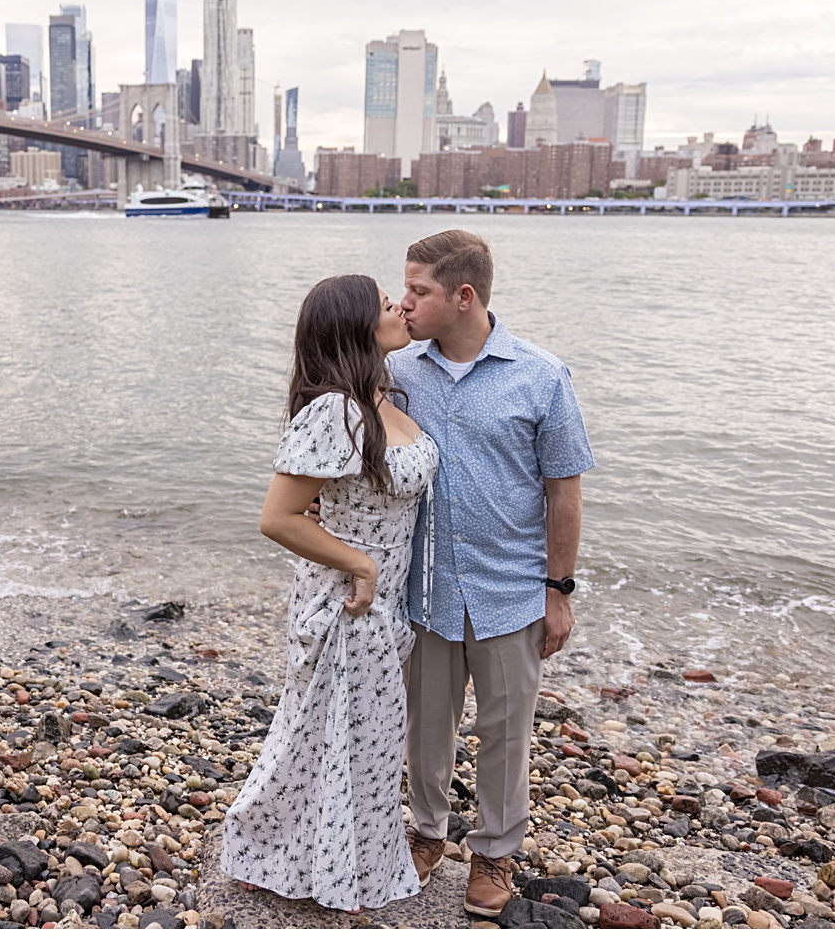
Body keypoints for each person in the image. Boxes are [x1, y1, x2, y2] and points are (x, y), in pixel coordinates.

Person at [220, 274, 440, 913]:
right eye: (383, 304)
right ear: (354, 326)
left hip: (385, 600)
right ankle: (304, 860)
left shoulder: (383, 399)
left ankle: (336, 860)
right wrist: (361, 565)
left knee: (359, 741)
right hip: (346, 601)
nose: (398, 307)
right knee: (334, 736)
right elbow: (278, 517)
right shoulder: (337, 409)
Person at [391, 229, 593, 920]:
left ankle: (495, 853)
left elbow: (563, 492)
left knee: (507, 731)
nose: (404, 301)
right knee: (426, 724)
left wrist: (558, 591)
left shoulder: (541, 376)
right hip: (424, 587)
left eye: (418, 290)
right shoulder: (400, 372)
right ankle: (425, 835)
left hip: (512, 591)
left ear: (463, 296)